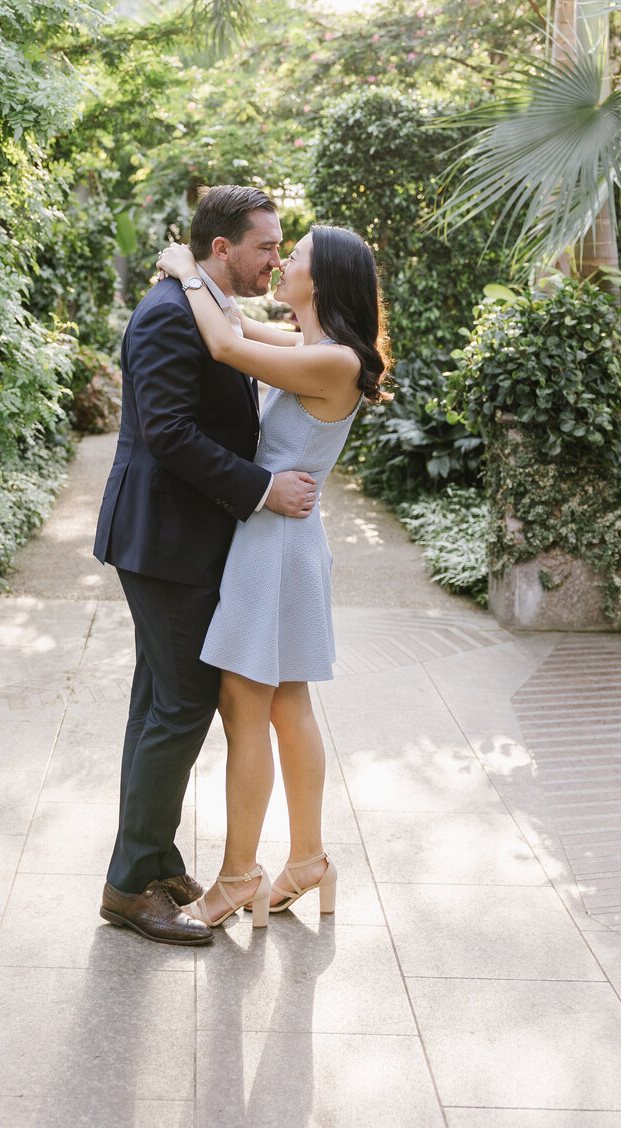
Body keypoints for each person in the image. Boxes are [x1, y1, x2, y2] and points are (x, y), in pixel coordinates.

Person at [95, 185, 320, 947]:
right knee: (183, 704)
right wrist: (261, 489)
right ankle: (127, 889)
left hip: (183, 537)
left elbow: (240, 347)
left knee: (157, 699)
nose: (275, 259)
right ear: (221, 249)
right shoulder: (167, 313)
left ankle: (152, 858)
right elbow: (168, 434)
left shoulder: (205, 304)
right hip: (163, 541)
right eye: (266, 246)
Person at [155, 222, 388, 931]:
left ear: (324, 281)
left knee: (246, 706)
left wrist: (182, 267)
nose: (283, 263)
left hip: (277, 545)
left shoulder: (337, 363)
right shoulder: (318, 348)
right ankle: (309, 859)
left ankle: (236, 878)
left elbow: (227, 346)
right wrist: (205, 280)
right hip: (282, 537)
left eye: (297, 258)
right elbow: (237, 322)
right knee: (288, 706)